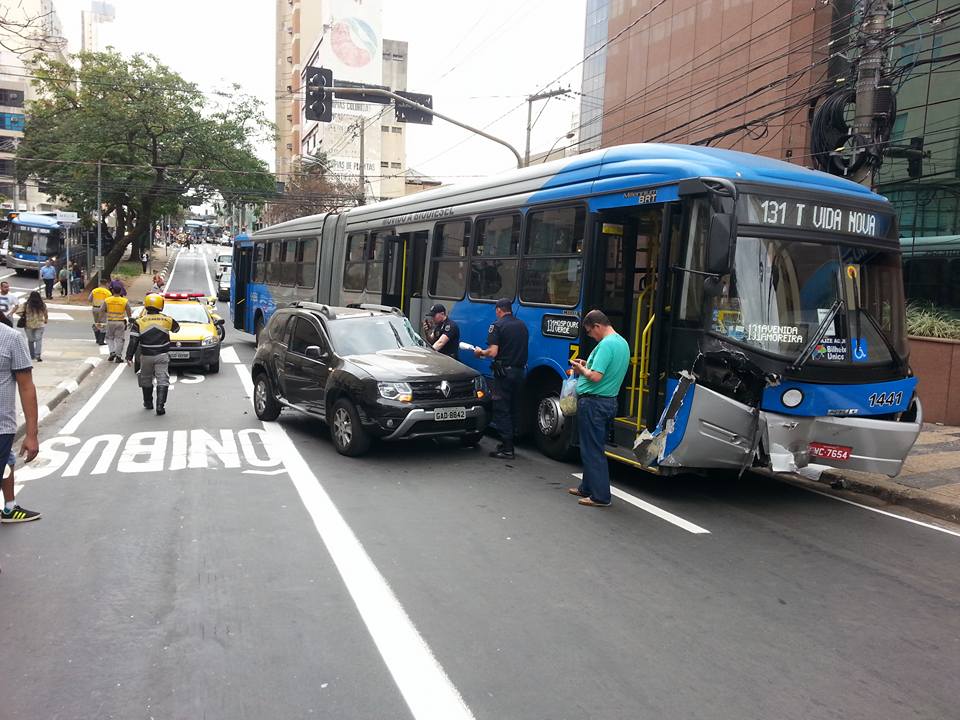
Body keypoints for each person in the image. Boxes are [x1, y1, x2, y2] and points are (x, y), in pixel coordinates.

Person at [567, 310, 631, 508]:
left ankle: (601, 496)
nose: (591, 336)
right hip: (608, 402)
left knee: (592, 450)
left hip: (594, 403)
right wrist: (588, 364)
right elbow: (606, 370)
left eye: (589, 332)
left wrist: (581, 370)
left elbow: (595, 377)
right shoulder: (622, 343)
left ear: (597, 326)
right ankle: (586, 487)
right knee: (592, 445)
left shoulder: (606, 345)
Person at [474, 298, 528, 460]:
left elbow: (493, 352)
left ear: (499, 310)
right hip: (519, 372)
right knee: (513, 407)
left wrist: (480, 353)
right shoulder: (522, 325)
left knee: (501, 408)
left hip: (504, 373)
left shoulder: (496, 326)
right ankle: (511, 441)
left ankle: (507, 448)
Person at [0, 318, 40, 523]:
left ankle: (9, 507)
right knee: (7, 462)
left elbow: (27, 387)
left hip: (1, 429)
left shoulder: (10, 338)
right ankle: (9, 507)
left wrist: (31, 434)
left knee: (6, 461)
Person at [126, 293, 180, 416]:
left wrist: (129, 356)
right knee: (163, 379)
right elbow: (177, 329)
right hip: (162, 355)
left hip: (146, 356)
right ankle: (160, 406)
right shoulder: (167, 320)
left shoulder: (139, 322)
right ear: (160, 305)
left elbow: (133, 341)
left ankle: (148, 402)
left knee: (146, 379)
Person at [102, 285, 131, 362]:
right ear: (120, 292)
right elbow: (128, 311)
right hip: (120, 322)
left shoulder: (107, 300)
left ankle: (112, 352)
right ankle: (118, 356)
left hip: (110, 321)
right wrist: (130, 320)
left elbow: (102, 310)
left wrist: (102, 318)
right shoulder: (124, 301)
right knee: (120, 339)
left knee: (109, 338)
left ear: (112, 291)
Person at [17, 291, 48, 362]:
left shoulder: (26, 304)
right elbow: (45, 313)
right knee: (38, 340)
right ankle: (38, 355)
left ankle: (32, 355)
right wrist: (45, 320)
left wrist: (24, 315)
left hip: (28, 324)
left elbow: (18, 311)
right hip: (40, 324)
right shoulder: (42, 304)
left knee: (30, 340)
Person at [89, 278, 112, 345]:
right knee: (103, 324)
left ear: (100, 283)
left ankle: (97, 339)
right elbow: (109, 301)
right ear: (106, 284)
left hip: (95, 308)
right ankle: (101, 340)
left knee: (97, 323)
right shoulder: (108, 292)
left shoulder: (94, 290)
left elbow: (89, 299)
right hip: (102, 309)